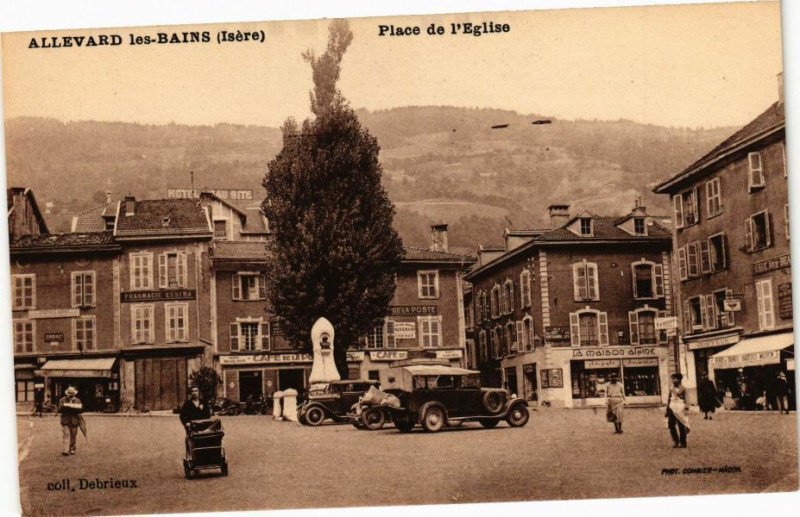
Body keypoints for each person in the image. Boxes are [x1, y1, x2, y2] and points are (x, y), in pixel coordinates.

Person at [666, 373, 690, 448]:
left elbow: (687, 399)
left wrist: (686, 408)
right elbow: (669, 399)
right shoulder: (671, 389)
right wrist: (667, 410)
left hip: (680, 409)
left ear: (679, 380)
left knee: (681, 425)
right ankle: (676, 441)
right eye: (672, 379)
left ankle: (683, 442)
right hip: (672, 408)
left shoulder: (683, 388)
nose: (673, 380)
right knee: (671, 425)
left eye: (674, 379)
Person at [57, 386, 83, 456]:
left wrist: (77, 408)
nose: (71, 396)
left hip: (74, 420)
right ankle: (65, 450)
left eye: (72, 395)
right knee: (66, 434)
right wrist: (64, 408)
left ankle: (72, 448)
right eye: (69, 395)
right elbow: (59, 409)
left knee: (73, 435)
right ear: (67, 394)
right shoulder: (62, 400)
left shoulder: (78, 400)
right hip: (65, 419)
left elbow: (81, 410)